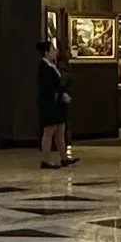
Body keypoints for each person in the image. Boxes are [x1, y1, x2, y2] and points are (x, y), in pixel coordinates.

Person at [37, 37, 72, 170]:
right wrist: (60, 95)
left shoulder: (52, 65)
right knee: (49, 130)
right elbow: (48, 87)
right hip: (50, 104)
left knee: (60, 130)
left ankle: (64, 157)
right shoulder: (44, 67)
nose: (55, 52)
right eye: (53, 49)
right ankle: (46, 160)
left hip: (57, 104)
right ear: (46, 52)